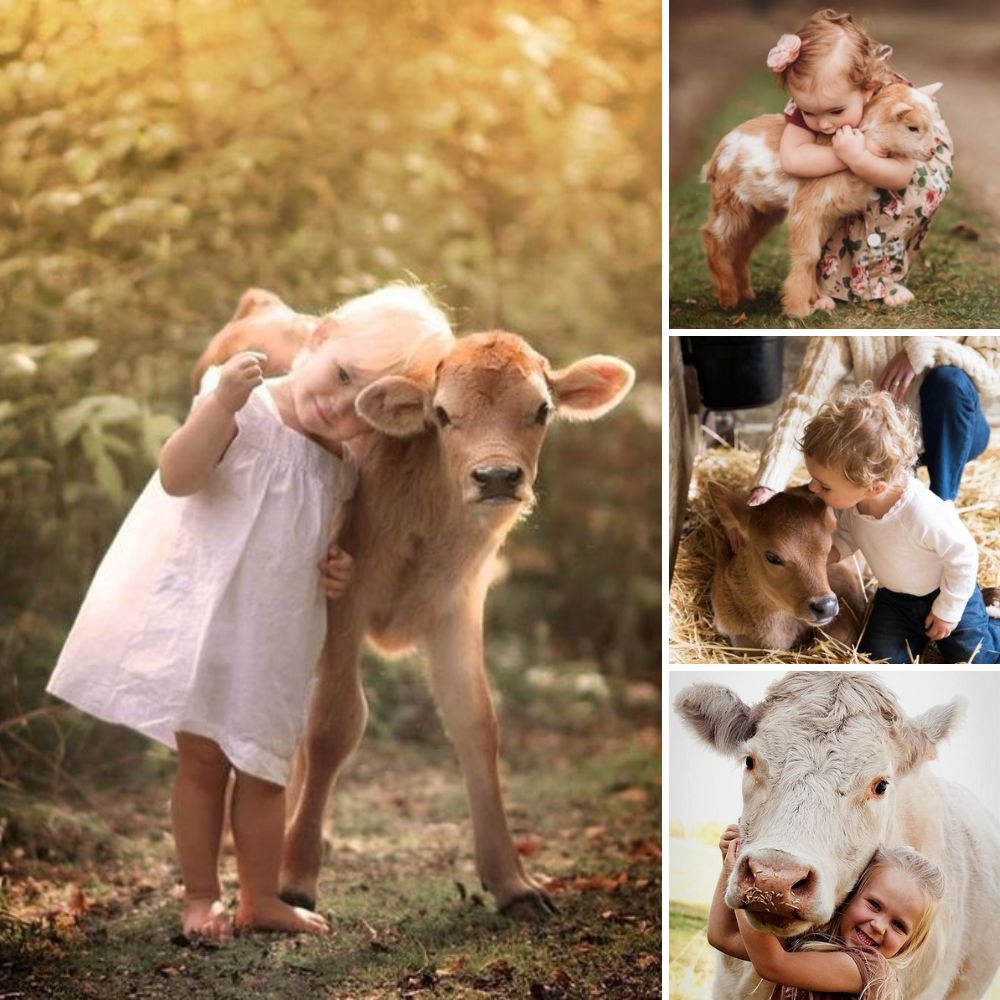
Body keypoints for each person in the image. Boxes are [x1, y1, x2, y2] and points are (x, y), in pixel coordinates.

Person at [47, 284, 454, 939]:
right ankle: (200, 897)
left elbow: (319, 539)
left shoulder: (341, 469)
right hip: (208, 625)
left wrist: (338, 567)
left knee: (265, 771)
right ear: (321, 337)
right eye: (342, 376)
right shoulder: (244, 407)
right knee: (204, 764)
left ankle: (260, 899)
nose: (338, 404)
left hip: (275, 640)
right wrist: (220, 405)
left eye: (363, 404)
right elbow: (177, 475)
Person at [799, 383, 1000, 663]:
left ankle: (992, 620)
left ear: (875, 487)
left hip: (946, 590)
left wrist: (948, 610)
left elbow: (963, 555)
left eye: (824, 485)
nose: (812, 488)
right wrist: (825, 556)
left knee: (974, 658)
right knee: (878, 659)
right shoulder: (851, 506)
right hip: (895, 599)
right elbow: (848, 536)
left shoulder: (921, 512)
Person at [767, 9, 952, 309]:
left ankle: (884, 277)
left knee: (888, 206)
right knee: (831, 194)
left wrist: (861, 159)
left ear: (867, 90)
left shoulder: (892, 109)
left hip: (912, 162)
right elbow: (793, 159)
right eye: (809, 112)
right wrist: (844, 156)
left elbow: (900, 176)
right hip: (852, 161)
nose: (824, 124)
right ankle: (833, 274)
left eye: (835, 112)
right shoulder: (816, 102)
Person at [749, 336, 998, 505]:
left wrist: (926, 349)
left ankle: (943, 505)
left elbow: (993, 378)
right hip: (887, 441)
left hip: (955, 430)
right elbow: (806, 400)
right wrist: (769, 484)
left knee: (949, 381)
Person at [709, 824, 945, 1000]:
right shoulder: (814, 943)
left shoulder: (871, 970)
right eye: (874, 905)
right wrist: (731, 867)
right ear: (852, 894)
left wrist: (747, 879)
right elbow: (722, 937)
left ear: (910, 941)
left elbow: (771, 964)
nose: (879, 926)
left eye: (899, 925)